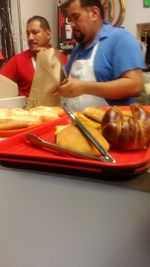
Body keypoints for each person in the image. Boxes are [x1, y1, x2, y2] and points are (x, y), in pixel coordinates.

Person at [54, 0, 145, 111]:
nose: (72, 24)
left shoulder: (121, 39)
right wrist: (49, 56)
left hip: (110, 125)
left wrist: (84, 87)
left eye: (76, 17)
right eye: (70, 19)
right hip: (76, 124)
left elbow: (135, 86)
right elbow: (63, 81)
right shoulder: (77, 51)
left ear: (94, 13)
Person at [0, 16, 52, 97]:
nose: (30, 38)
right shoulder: (17, 61)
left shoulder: (61, 58)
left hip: (57, 108)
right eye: (28, 34)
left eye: (35, 32)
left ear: (48, 34)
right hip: (28, 108)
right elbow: (2, 85)